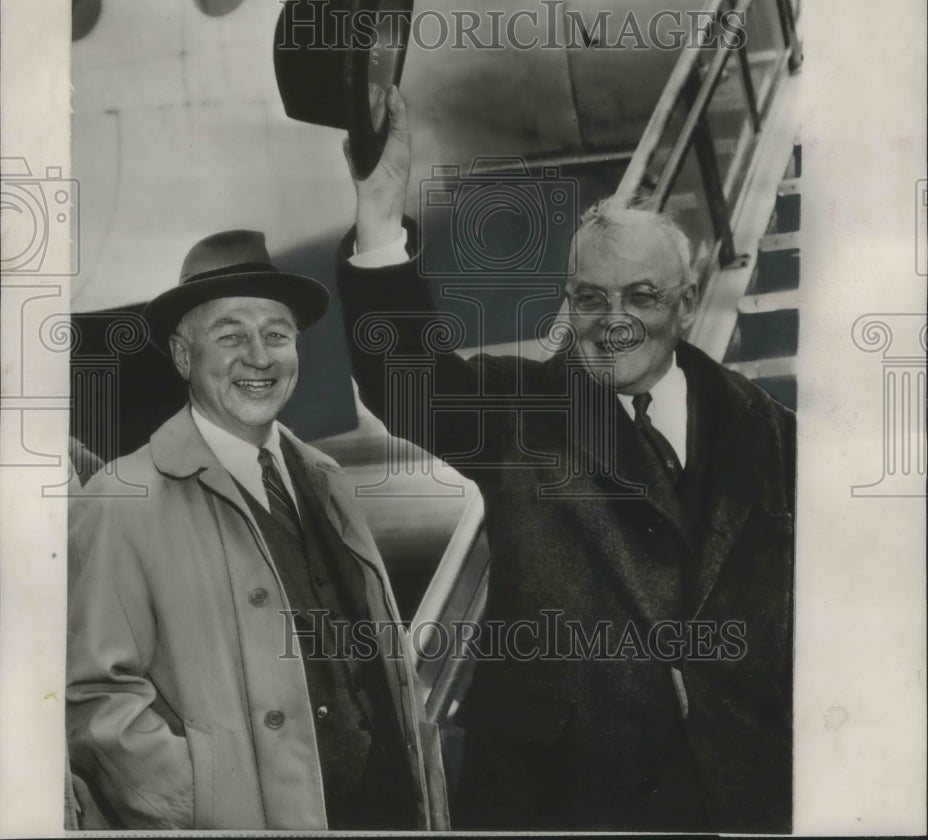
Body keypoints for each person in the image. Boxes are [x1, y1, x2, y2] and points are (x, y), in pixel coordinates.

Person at [337, 88, 795, 832]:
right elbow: (403, 377)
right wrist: (381, 213)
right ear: (568, 303)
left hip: (735, 795)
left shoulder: (776, 439)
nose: (614, 324)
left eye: (641, 297)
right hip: (558, 797)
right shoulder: (525, 410)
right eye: (589, 299)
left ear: (684, 306)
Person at [66, 229, 449, 831]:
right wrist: (218, 807)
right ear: (183, 356)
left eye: (277, 334)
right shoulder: (121, 499)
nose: (260, 357)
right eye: (230, 336)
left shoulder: (325, 480)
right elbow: (95, 702)